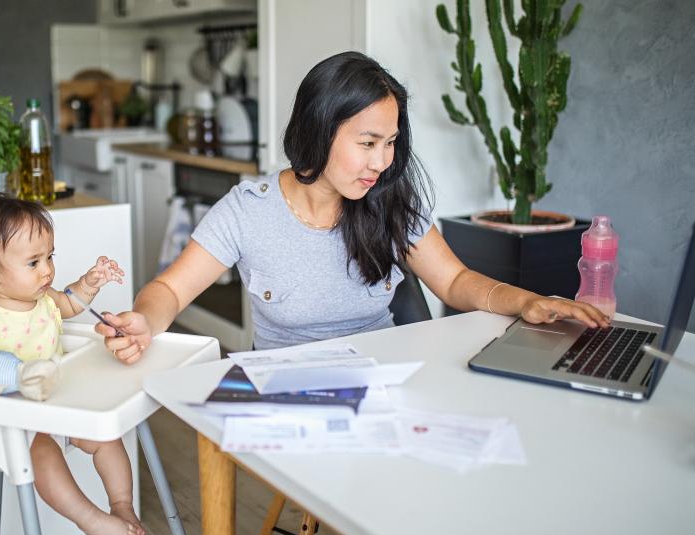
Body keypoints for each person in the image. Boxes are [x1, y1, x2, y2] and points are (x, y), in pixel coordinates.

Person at [96, 51, 608, 362]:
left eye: (390, 143)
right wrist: (144, 318)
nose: (383, 161)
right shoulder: (248, 210)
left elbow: (453, 282)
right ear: (319, 129)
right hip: (292, 393)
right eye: (367, 143)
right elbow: (169, 289)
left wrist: (525, 302)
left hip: (384, 382)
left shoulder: (386, 201)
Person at [0, 193, 144, 535]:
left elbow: (71, 303)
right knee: (43, 453)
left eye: (50, 256)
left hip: (56, 405)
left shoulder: (43, 298)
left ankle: (122, 505)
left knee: (107, 437)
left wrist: (91, 282)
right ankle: (91, 520)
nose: (48, 269)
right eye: (33, 262)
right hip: (13, 418)